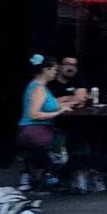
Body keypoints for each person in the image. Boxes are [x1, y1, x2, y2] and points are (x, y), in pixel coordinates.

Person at [16, 55, 74, 190]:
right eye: (54, 70)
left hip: (27, 131)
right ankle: (49, 177)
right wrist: (58, 112)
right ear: (45, 70)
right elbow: (34, 114)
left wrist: (71, 101)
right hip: (35, 131)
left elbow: (49, 103)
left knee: (57, 141)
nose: (55, 73)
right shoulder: (39, 88)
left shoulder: (39, 86)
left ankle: (30, 176)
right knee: (63, 145)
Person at [52, 54, 106, 194]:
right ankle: (76, 174)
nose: (71, 67)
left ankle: (82, 173)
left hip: (77, 120)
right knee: (74, 137)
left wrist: (62, 100)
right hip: (54, 121)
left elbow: (80, 99)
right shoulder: (51, 81)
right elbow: (48, 102)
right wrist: (71, 98)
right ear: (59, 66)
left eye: (74, 65)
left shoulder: (79, 78)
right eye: (67, 64)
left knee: (92, 132)